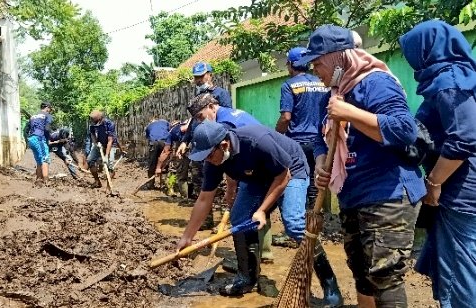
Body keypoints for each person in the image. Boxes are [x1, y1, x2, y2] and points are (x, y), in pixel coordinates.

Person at [296, 25, 426, 307]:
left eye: (318, 62)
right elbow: (321, 139)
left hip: (388, 193)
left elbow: (404, 129)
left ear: (338, 57)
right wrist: (320, 161)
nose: (314, 69)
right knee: (361, 273)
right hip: (353, 195)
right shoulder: (329, 95)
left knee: (385, 276)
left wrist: (351, 114)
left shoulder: (376, 83)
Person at [177, 120, 309, 296]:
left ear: (223, 145)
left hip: (290, 169)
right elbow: (204, 199)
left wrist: (262, 210)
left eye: (208, 156)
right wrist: (187, 237)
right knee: (239, 218)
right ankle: (247, 278)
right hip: (257, 177)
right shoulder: (214, 160)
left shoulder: (255, 141)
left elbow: (283, 176)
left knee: (294, 224)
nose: (207, 161)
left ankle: (329, 284)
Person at [399, 20, 476, 308]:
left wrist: (433, 183)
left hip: (460, 190)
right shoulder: (465, 76)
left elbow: (465, 139)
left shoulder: (449, 81)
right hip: (465, 186)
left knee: (459, 272)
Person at [274, 46, 342, 306]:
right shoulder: (322, 82)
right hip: (320, 144)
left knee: (297, 193)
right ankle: (311, 224)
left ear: (291, 66)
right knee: (315, 192)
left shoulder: (289, 85)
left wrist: (278, 134)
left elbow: (285, 117)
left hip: (297, 146)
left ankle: (306, 230)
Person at [187, 93, 261, 230]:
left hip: (263, 166)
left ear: (211, 107)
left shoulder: (223, 126)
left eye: (200, 117)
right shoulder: (230, 113)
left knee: (247, 213)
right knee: (250, 213)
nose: (201, 122)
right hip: (253, 163)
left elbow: (226, 158)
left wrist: (231, 189)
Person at [176, 61, 233, 158]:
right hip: (198, 145)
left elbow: (226, 119)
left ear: (210, 75)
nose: (198, 80)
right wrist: (185, 141)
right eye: (196, 77)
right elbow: (194, 121)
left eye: (201, 76)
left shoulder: (220, 94)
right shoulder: (198, 97)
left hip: (214, 146)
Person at [87, 110, 121, 188]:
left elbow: (110, 141)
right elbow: (92, 134)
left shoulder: (109, 124)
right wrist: (95, 143)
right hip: (100, 144)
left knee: (110, 166)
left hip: (111, 145)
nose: (94, 123)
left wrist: (106, 156)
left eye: (95, 121)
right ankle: (97, 181)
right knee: (90, 160)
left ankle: (109, 187)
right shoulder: (93, 124)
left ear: (100, 119)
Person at [155, 119, 190, 198]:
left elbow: (166, 151)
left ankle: (183, 197)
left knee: (176, 173)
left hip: (184, 151)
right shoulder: (191, 125)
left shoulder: (172, 132)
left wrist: (158, 167)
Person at [25, 102, 53, 184]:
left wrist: (27, 141)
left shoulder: (33, 116)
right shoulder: (47, 115)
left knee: (39, 161)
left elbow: (25, 130)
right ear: (47, 107)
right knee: (45, 159)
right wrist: (47, 140)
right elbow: (47, 129)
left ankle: (38, 179)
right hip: (40, 138)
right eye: (50, 109)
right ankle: (46, 181)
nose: (50, 111)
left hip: (31, 139)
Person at [145, 118, 170, 189]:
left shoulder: (149, 126)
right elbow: (170, 131)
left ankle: (151, 184)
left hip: (154, 143)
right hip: (164, 143)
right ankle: (164, 184)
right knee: (165, 163)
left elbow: (148, 137)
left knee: (152, 162)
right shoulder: (165, 122)